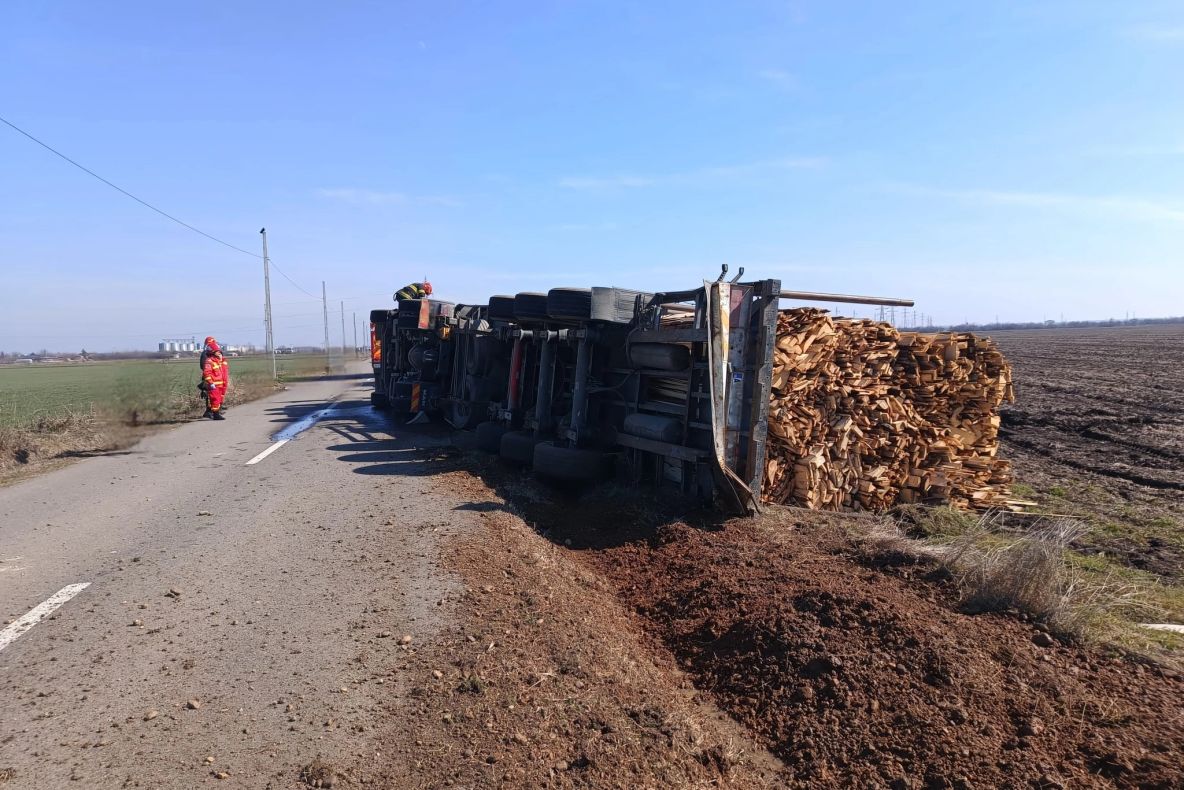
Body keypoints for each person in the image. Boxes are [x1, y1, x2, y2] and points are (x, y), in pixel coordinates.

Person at [201, 341, 230, 420]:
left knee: (219, 399)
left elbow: (224, 370)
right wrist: (210, 383)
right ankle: (216, 414)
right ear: (212, 352)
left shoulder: (218, 361)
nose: (219, 352)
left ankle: (215, 412)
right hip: (214, 385)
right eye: (217, 351)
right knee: (215, 399)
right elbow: (207, 373)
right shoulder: (209, 361)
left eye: (220, 351)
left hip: (221, 384)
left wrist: (221, 359)